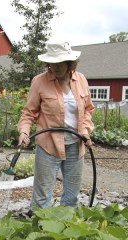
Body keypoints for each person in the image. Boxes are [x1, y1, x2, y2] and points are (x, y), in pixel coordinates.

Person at [17, 41, 95, 210]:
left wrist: (86, 131)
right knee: (42, 194)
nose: (55, 67)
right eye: (52, 62)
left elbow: (88, 110)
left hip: (76, 145)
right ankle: (39, 231)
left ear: (70, 63)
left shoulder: (80, 80)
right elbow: (29, 113)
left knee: (71, 195)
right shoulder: (39, 82)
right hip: (48, 145)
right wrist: (24, 132)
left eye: (60, 62)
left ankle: (66, 231)